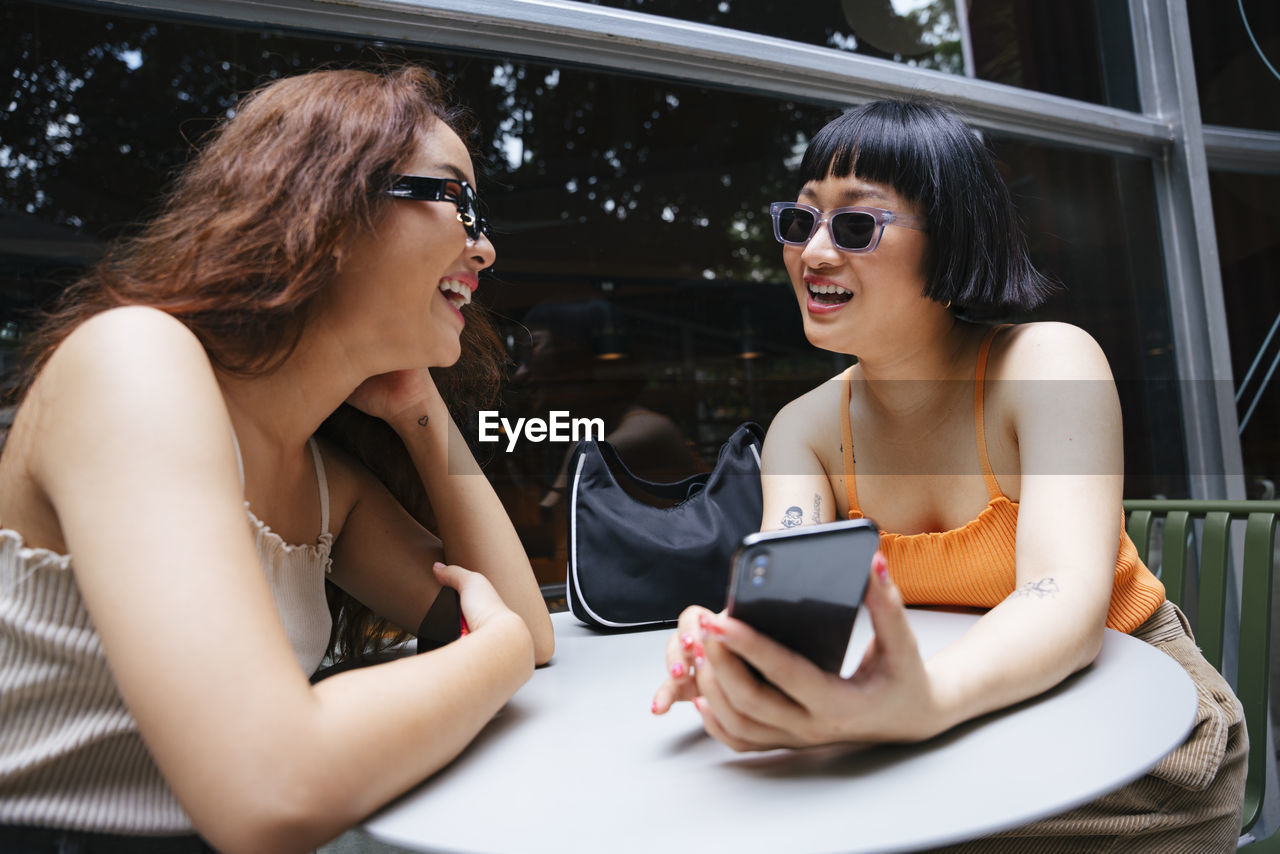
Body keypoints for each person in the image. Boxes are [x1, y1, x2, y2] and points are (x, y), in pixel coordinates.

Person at [651, 100, 1247, 851]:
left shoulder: (1050, 363)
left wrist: (922, 702)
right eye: (800, 222)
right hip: (951, 725)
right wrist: (736, 652)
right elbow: (792, 603)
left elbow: (1061, 600)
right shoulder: (802, 429)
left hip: (1136, 737)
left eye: (857, 225)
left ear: (952, 237)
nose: (815, 253)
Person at [0, 66, 554, 854]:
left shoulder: (328, 485)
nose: (485, 247)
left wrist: (419, 409)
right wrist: (489, 653)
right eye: (455, 200)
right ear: (325, 202)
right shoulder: (132, 362)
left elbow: (527, 629)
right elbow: (272, 793)